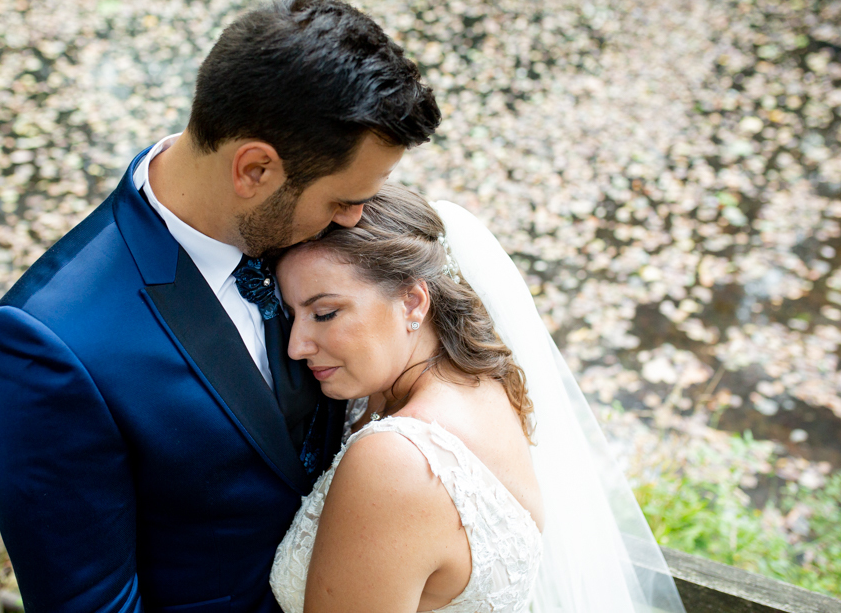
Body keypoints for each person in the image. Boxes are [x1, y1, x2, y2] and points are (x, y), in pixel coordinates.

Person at [0, 0, 440, 612]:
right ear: (254, 171)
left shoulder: (317, 233)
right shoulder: (53, 341)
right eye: (341, 201)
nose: (356, 220)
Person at [268, 184, 688, 613]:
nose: (296, 346)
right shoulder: (483, 381)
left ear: (412, 302)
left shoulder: (398, 461)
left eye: (325, 314)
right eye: (292, 315)